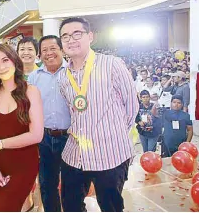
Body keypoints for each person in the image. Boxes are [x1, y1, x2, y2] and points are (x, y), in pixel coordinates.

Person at [57, 17, 138, 212]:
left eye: (77, 34)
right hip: (74, 154)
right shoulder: (63, 76)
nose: (71, 40)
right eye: (65, 36)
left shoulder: (112, 65)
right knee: (70, 205)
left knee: (111, 207)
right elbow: (73, 110)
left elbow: (131, 107)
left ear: (90, 36)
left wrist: (111, 134)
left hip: (109, 154)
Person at [0, 44, 43, 212]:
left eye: (5, 60)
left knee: (9, 207)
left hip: (24, 164)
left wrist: (1, 143)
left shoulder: (31, 92)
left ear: (14, 61)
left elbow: (37, 135)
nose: (1, 67)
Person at [28, 35, 70, 212]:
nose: (49, 53)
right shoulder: (33, 77)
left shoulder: (74, 73)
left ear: (62, 50)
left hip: (70, 137)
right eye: (44, 50)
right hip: (43, 138)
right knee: (47, 185)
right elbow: (27, 108)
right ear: (39, 54)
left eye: (53, 48)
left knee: (71, 185)